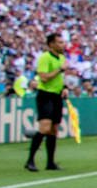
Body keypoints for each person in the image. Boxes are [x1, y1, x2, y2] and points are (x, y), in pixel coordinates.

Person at [25, 32, 69, 172]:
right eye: (60, 42)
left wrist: (65, 88)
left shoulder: (61, 57)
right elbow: (43, 78)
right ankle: (30, 160)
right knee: (44, 127)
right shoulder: (45, 57)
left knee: (53, 130)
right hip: (45, 95)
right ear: (51, 44)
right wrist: (59, 69)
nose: (63, 45)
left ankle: (50, 162)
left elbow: (61, 78)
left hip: (56, 96)